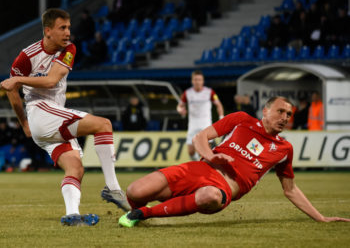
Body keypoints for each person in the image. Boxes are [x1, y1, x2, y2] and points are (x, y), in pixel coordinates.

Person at [118, 96, 350, 227]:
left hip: (222, 188)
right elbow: (201, 137)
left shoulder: (284, 149)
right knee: (135, 190)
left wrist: (320, 217)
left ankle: (145, 214)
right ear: (266, 110)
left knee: (209, 196)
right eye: (281, 112)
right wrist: (210, 155)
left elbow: (290, 190)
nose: (285, 118)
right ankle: (136, 211)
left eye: (289, 115)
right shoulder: (241, 120)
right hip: (200, 168)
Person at [0, 8, 130, 226]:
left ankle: (72, 215)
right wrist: (24, 123)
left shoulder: (68, 49)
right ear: (48, 31)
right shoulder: (26, 56)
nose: (68, 32)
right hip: (40, 112)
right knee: (103, 125)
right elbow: (12, 92)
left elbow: (51, 81)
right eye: (63, 28)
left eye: (69, 27)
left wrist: (19, 81)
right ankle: (113, 188)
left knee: (76, 169)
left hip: (51, 118)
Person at [177, 70, 224, 160]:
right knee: (191, 151)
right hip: (193, 125)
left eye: (199, 80)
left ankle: (208, 170)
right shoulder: (188, 93)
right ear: (192, 81)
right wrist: (180, 110)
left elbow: (219, 105)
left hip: (206, 125)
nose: (197, 82)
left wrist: (221, 117)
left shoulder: (209, 92)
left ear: (203, 81)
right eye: (195, 79)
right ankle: (197, 165)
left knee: (207, 151)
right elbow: (179, 106)